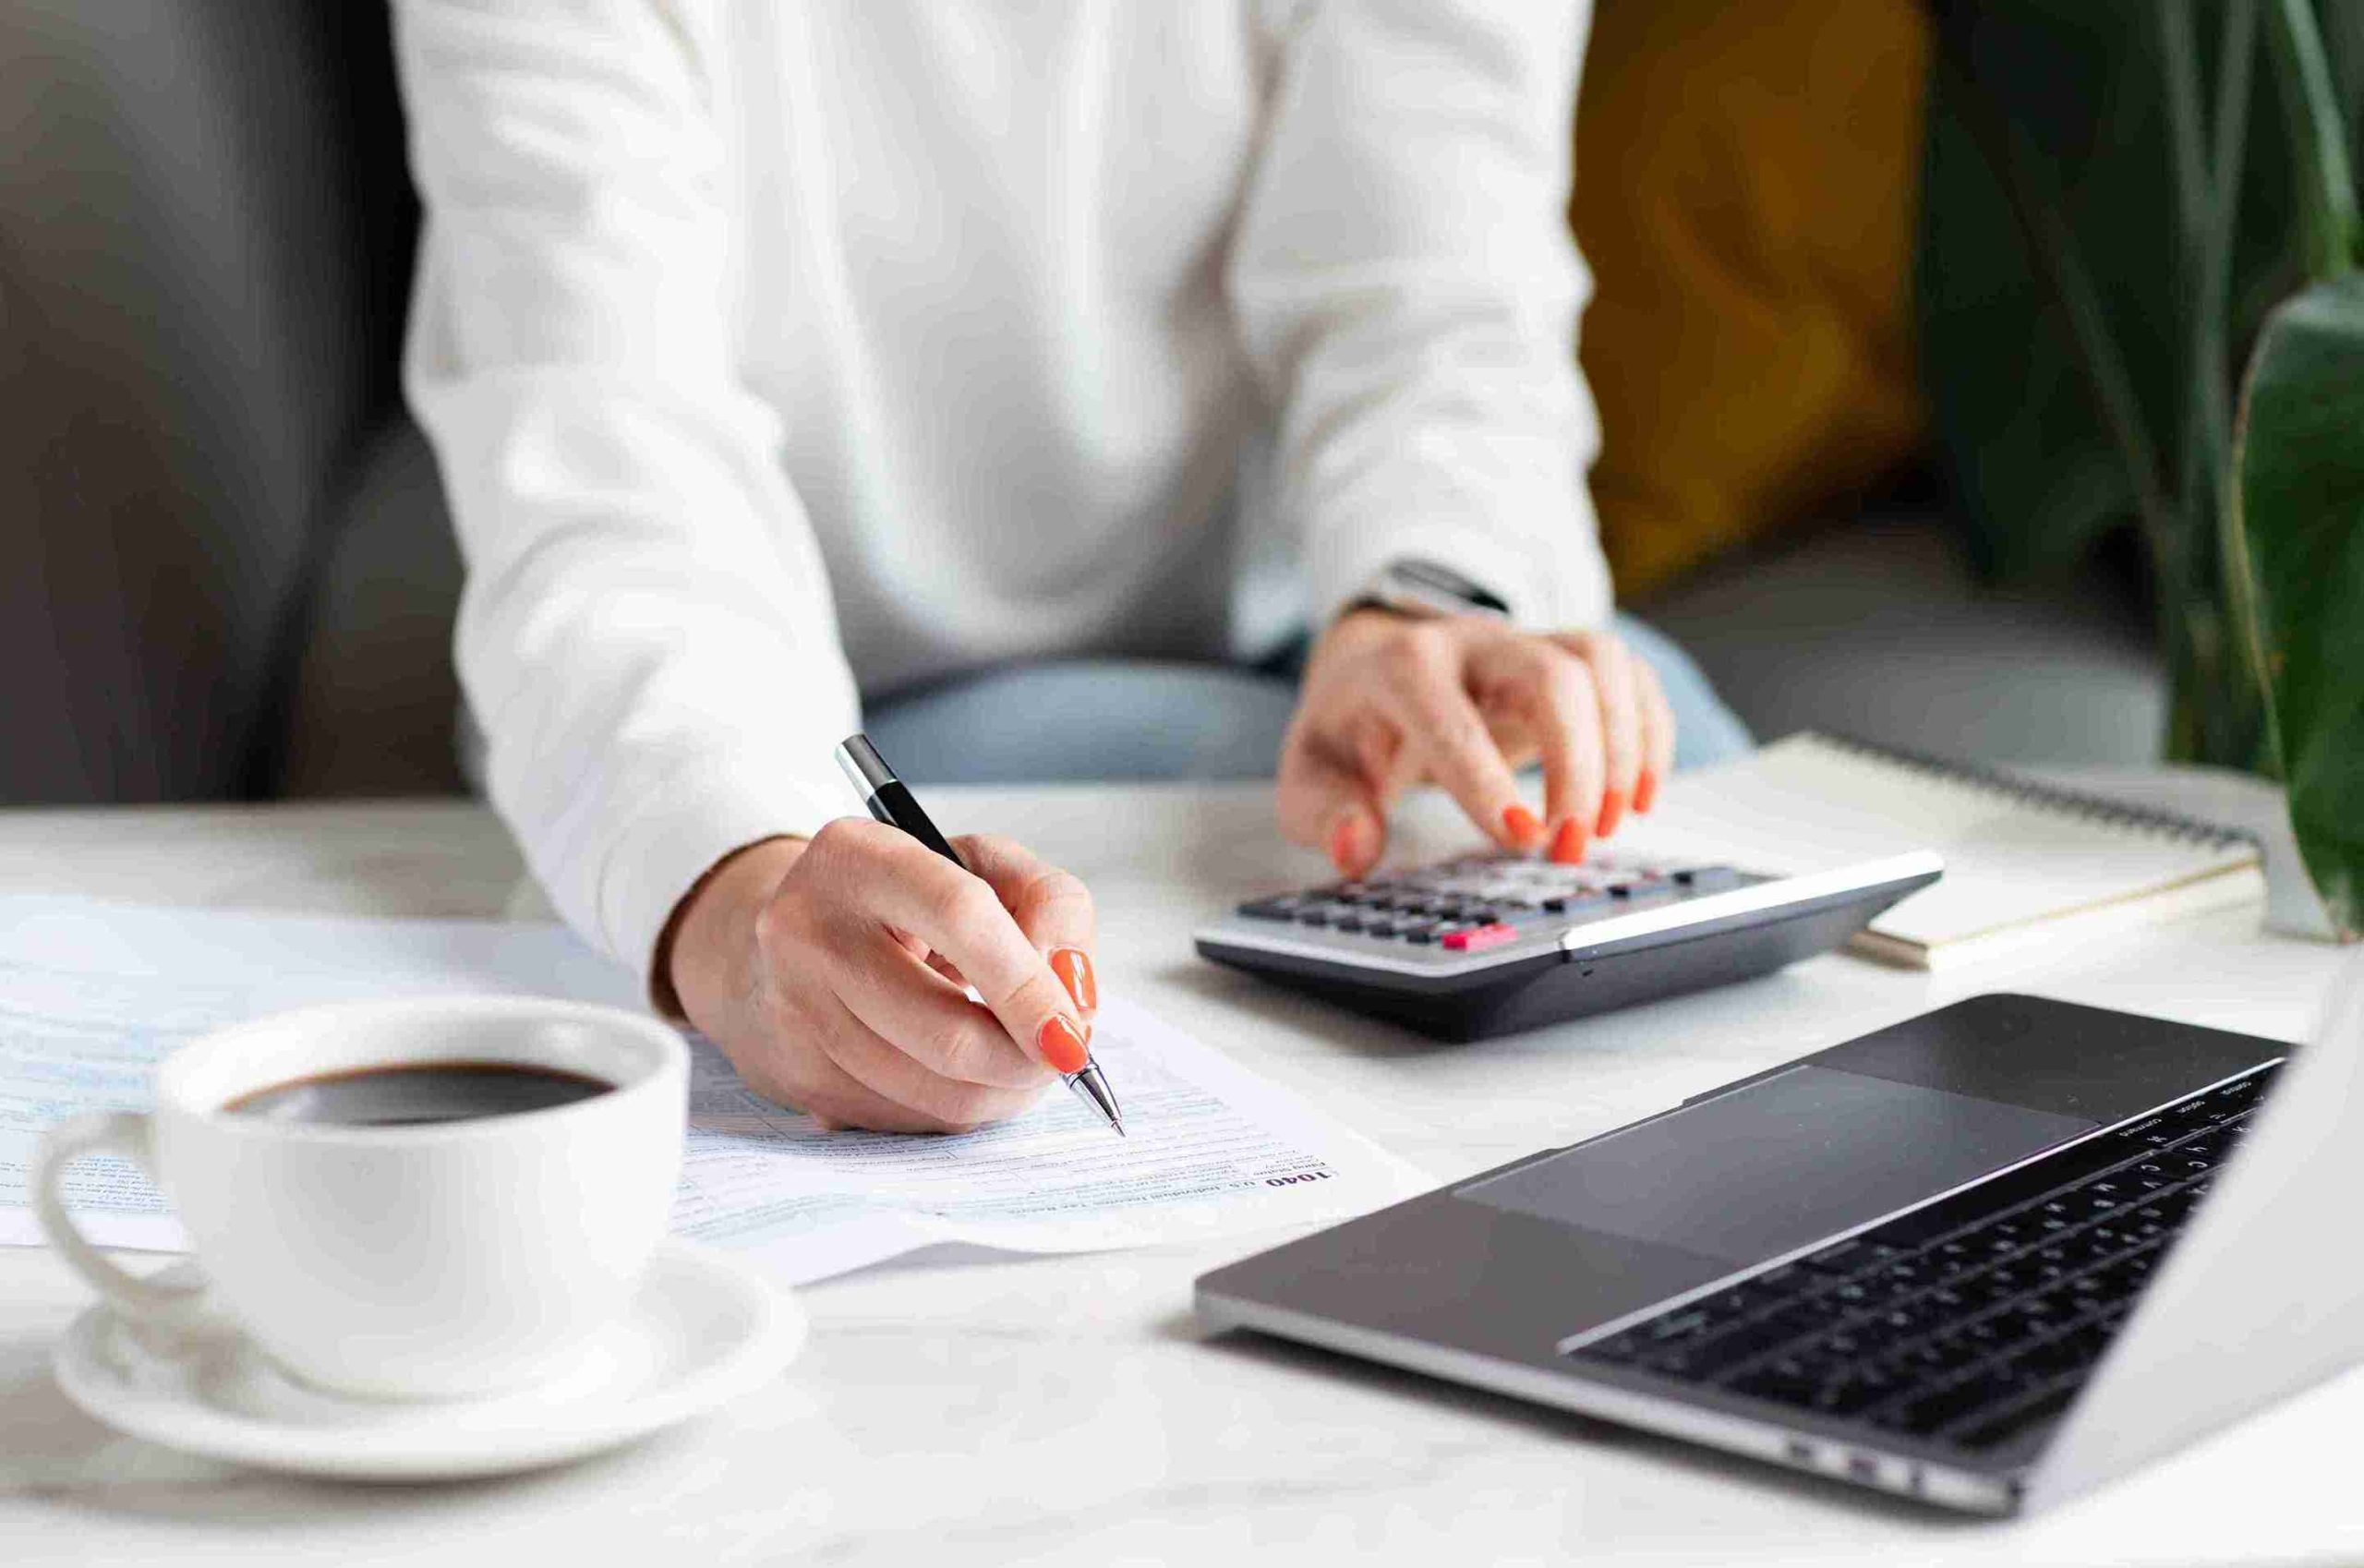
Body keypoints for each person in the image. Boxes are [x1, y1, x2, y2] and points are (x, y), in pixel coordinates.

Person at [394, 2, 1752, 1134]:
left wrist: (1429, 596)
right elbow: (603, 436)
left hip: (1299, 637)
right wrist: (736, 898)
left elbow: (1437, 290)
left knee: (1653, 749)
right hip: (804, 712)